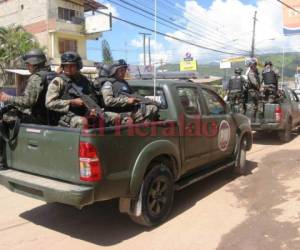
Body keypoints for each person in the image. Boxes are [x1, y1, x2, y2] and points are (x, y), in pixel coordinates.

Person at [46, 51, 116, 128]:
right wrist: (70, 102)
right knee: (83, 122)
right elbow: (49, 103)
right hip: (66, 116)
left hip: (85, 113)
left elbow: (92, 98)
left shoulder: (84, 80)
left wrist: (91, 110)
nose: (69, 69)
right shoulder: (58, 81)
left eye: (72, 66)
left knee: (115, 117)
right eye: (66, 66)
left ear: (78, 66)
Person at [245, 58, 262, 122]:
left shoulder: (255, 73)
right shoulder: (251, 73)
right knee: (252, 108)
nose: (255, 66)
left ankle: (255, 121)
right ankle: (252, 122)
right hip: (252, 92)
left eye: (255, 64)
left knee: (257, 107)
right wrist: (259, 88)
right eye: (254, 64)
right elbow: (254, 83)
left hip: (255, 92)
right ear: (252, 65)